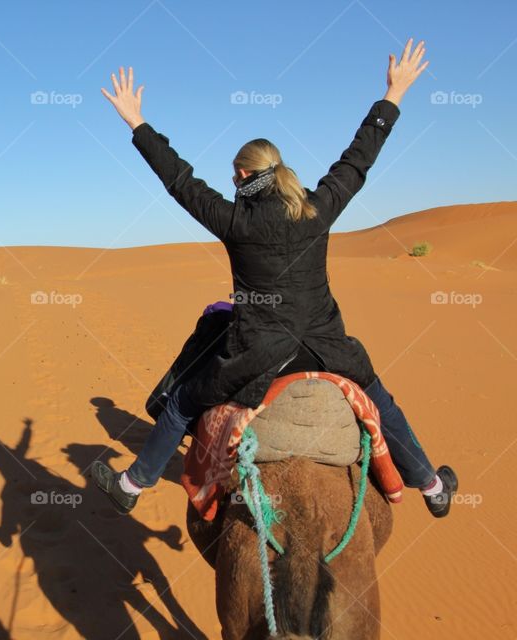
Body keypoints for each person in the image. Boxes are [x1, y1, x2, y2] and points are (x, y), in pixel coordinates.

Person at [93, 39, 457, 518]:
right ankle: (431, 487)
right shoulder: (318, 208)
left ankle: (132, 484)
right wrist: (394, 94)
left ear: (243, 174)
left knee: (181, 401)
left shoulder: (234, 220)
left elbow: (179, 180)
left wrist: (136, 123)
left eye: (233, 176)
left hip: (257, 357)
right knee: (379, 400)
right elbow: (358, 159)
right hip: (328, 346)